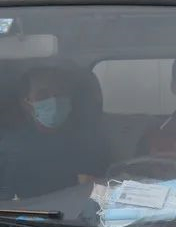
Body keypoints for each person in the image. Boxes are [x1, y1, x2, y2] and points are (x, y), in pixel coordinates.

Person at [0, 66, 108, 200]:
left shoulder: (88, 141)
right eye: (43, 95)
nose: (54, 100)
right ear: (26, 103)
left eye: (60, 93)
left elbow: (102, 190)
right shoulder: (10, 149)